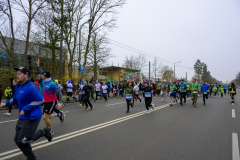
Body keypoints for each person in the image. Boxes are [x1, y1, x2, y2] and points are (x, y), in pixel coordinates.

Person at [0, 67, 52, 160]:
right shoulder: (19, 86)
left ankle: (45, 132)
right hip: (22, 118)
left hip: (31, 117)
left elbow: (41, 100)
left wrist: (25, 108)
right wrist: (6, 103)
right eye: (17, 73)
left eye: (19, 73)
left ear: (26, 75)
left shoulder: (31, 87)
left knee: (23, 140)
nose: (17, 75)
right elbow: (15, 99)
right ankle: (30, 157)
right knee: (17, 140)